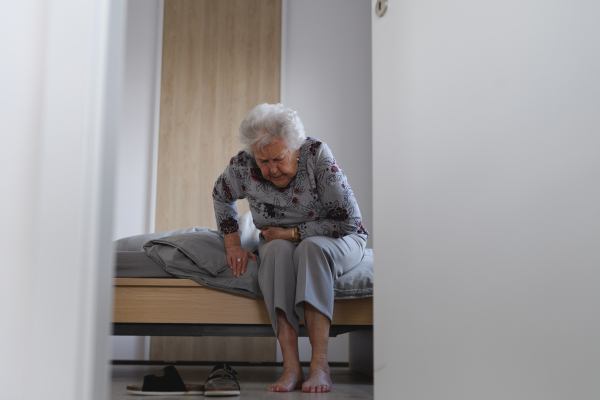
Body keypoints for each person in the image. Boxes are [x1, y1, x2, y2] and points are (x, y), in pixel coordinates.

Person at [212, 103, 369, 393]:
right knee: (273, 253)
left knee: (311, 249)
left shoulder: (317, 155)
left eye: (279, 159)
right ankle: (291, 367)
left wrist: (292, 232)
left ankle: (320, 365)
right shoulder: (243, 165)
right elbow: (221, 196)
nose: (271, 169)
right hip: (276, 239)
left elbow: (349, 222)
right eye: (264, 161)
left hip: (337, 237)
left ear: (296, 147)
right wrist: (232, 242)